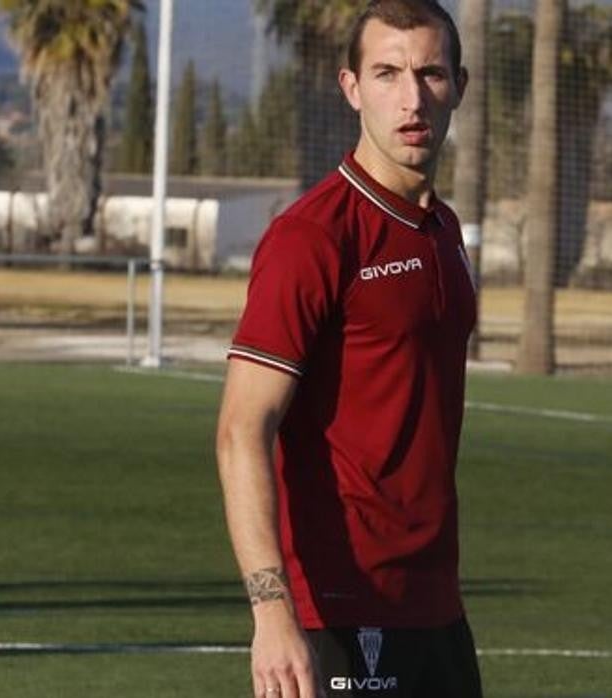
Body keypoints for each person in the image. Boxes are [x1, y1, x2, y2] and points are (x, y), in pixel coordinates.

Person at [215, 1, 480, 696]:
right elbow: (242, 430)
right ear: (352, 88)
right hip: (336, 614)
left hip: (435, 609)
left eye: (430, 73)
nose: (412, 96)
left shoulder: (443, 231)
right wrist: (272, 614)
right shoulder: (312, 238)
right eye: (387, 73)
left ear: (460, 85)